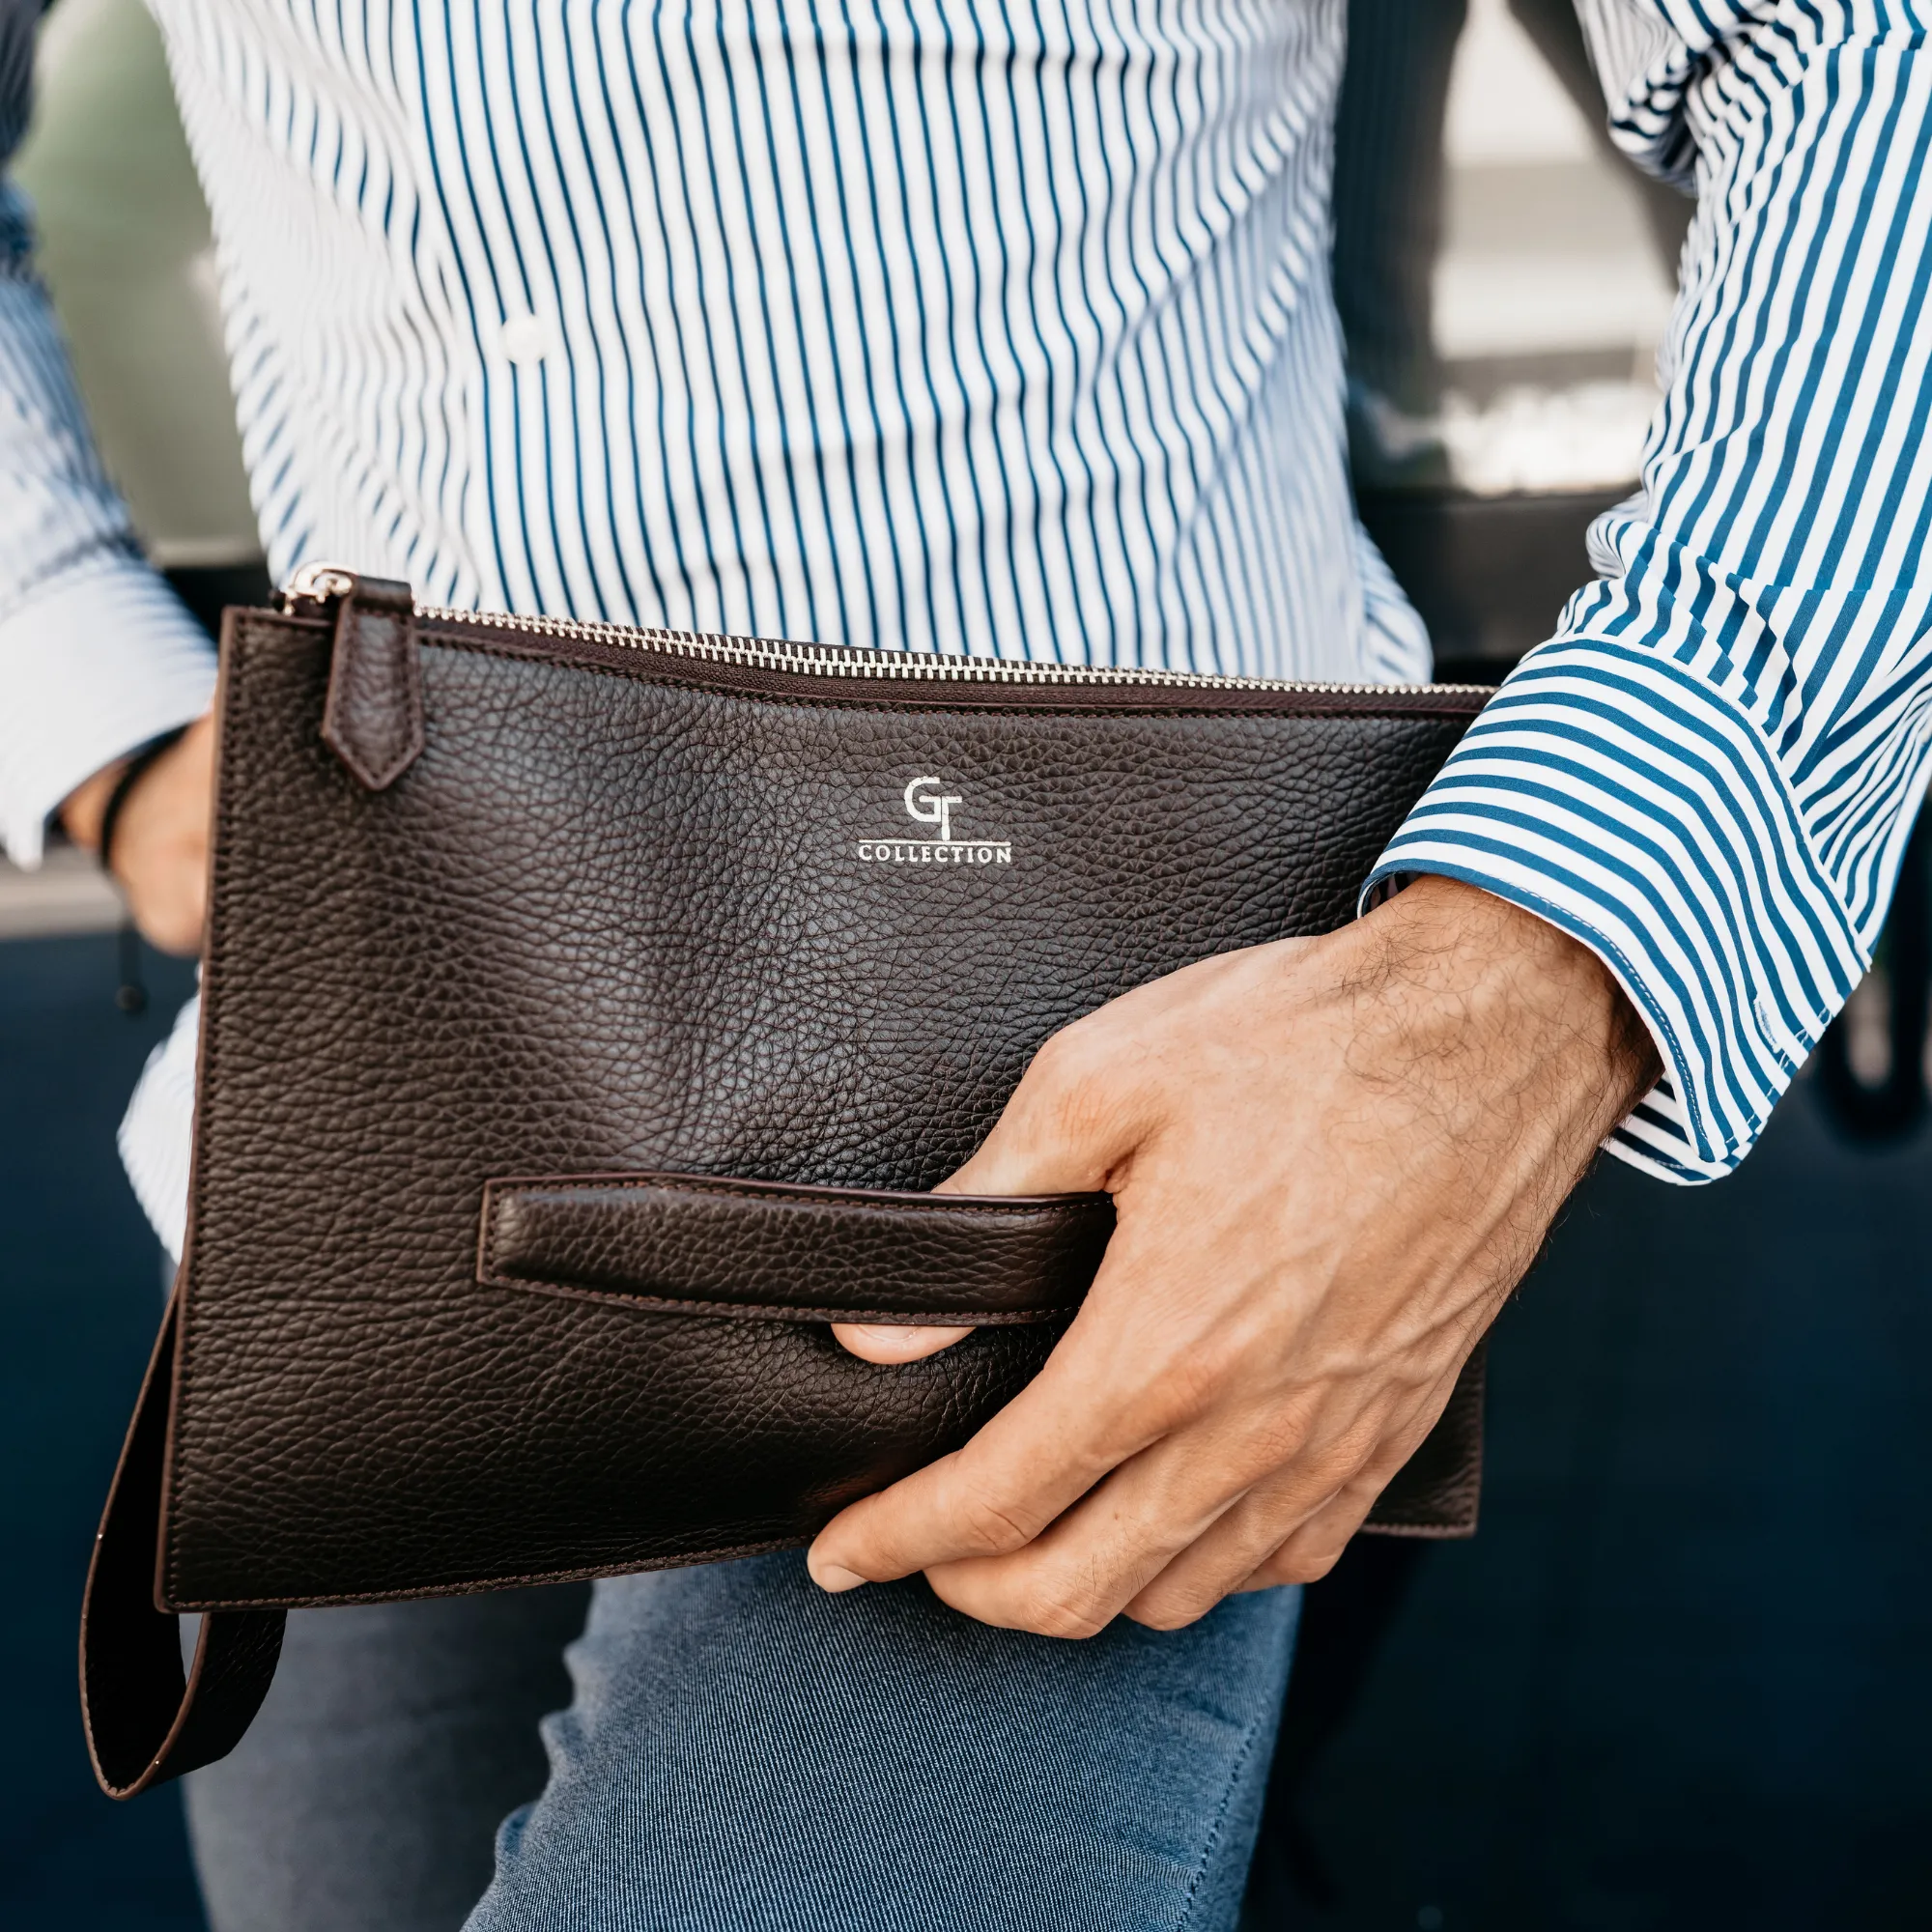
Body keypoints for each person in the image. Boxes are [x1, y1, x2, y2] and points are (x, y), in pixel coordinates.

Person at [5, 3, 1929, 1929]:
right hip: (405, 1099)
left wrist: (1536, 977)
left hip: (1081, 1136)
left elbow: (1856, 62)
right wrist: (102, 712)